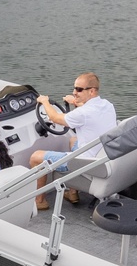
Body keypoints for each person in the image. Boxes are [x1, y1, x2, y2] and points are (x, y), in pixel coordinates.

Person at [27, 72, 115, 211]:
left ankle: (40, 201)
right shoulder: (107, 105)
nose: (74, 92)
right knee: (73, 140)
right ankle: (73, 193)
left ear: (91, 91)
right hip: (101, 156)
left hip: (86, 162)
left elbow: (55, 118)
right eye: (74, 88)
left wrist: (44, 102)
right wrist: (75, 101)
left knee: (36, 157)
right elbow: (87, 113)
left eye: (79, 89)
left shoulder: (83, 113)